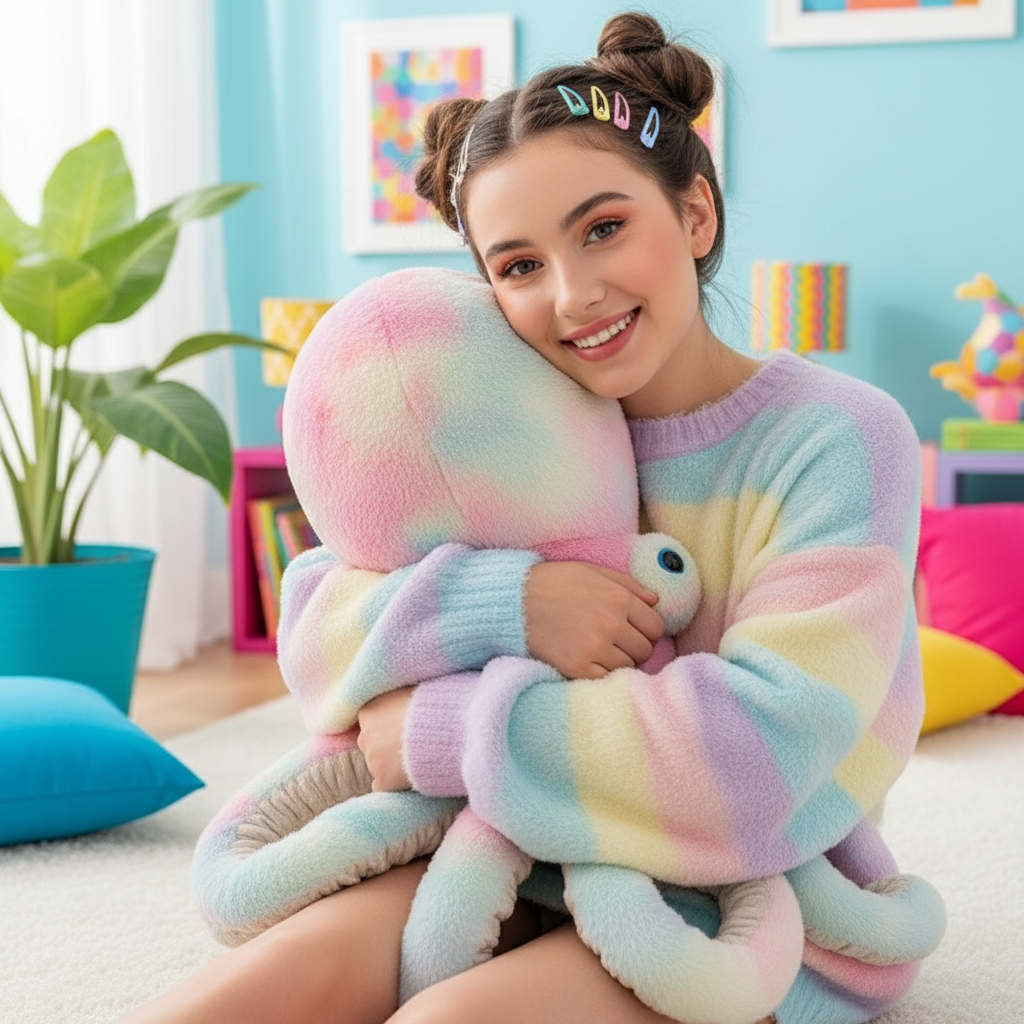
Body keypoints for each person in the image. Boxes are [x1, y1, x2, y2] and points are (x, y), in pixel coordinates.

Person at [119, 11, 932, 1024]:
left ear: (693, 215)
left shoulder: (840, 438)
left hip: (740, 901)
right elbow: (322, 614)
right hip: (504, 846)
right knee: (251, 991)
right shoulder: (515, 413)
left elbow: (762, 755)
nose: (571, 294)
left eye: (603, 229)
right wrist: (501, 602)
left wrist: (448, 728)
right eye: (516, 265)